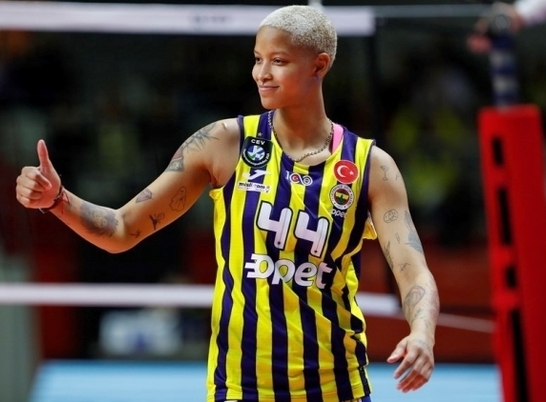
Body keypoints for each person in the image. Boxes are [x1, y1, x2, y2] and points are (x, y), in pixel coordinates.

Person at [15, 5, 439, 402]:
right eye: (257, 59)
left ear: (319, 65)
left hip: (337, 386)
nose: (262, 74)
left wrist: (422, 334)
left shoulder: (370, 166)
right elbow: (123, 229)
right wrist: (58, 200)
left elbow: (413, 270)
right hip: (240, 387)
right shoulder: (222, 143)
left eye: (278, 61)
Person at [468, 0, 546, 53]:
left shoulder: (529, 9)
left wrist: (482, 30)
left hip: (525, 10)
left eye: (478, 47)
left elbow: (512, 19)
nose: (480, 49)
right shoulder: (496, 35)